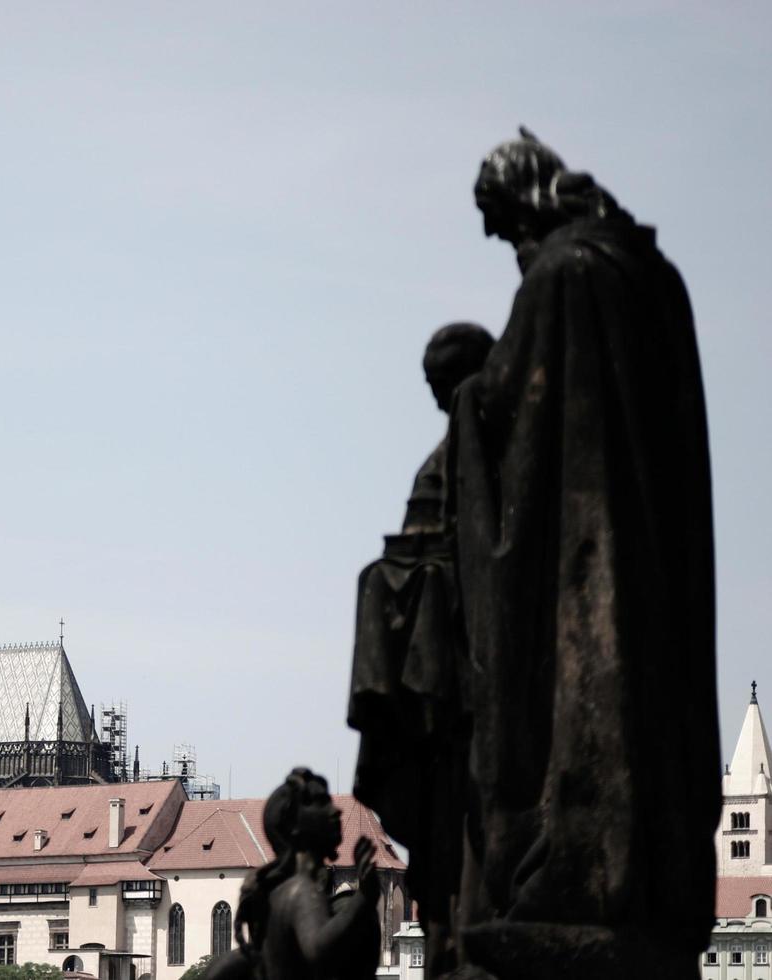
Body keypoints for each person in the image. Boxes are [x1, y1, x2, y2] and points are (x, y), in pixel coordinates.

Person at [449, 129, 718, 976]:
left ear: (524, 202)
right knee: (644, 710)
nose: (511, 251)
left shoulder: (562, 278)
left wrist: (466, 401)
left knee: (577, 711)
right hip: (657, 564)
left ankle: (575, 861)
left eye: (504, 231)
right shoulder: (655, 277)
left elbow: (506, 412)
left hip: (578, 562)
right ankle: (649, 863)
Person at [348, 322, 492, 977]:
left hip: (461, 670)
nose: (438, 401)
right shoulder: (456, 453)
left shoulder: (476, 451)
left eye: (440, 387)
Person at [212, 767, 379, 980]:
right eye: (321, 802)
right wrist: (363, 898)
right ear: (292, 825)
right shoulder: (300, 890)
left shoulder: (282, 891)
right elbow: (319, 951)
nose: (336, 811)